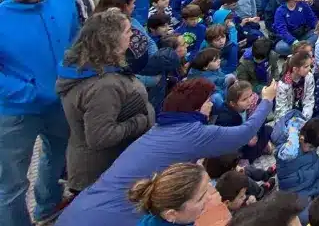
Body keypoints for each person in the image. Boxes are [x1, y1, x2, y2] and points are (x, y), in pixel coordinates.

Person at [55, 78, 276, 226]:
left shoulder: (162, 128)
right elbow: (244, 133)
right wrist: (266, 100)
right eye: (208, 102)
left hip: (83, 208)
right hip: (113, 218)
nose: (211, 105)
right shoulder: (192, 133)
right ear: (197, 108)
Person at [0, 0, 80, 226]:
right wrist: (27, 92)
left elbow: (74, 44)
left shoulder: (65, 1)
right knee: (11, 181)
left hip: (59, 103)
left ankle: (46, 212)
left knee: (56, 160)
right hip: (15, 111)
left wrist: (74, 78)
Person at [56, 9, 155, 195]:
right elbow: (101, 137)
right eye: (127, 31)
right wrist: (142, 120)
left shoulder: (97, 68)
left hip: (108, 168)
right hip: (100, 174)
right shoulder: (103, 86)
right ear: (111, 39)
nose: (132, 35)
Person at [129, 162, 214, 226]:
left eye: (207, 187)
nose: (209, 197)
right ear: (171, 215)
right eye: (200, 199)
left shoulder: (153, 216)